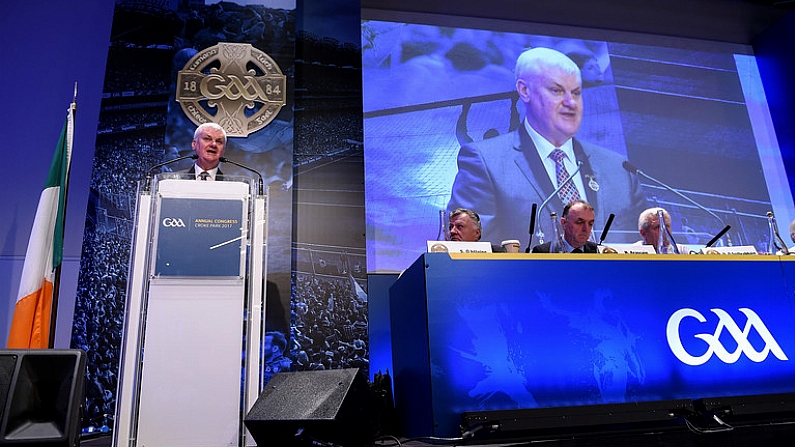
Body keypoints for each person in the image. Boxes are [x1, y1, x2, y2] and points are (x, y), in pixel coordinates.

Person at [447, 47, 647, 246]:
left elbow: (645, 251)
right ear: (525, 91)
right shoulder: (484, 162)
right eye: (556, 91)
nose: (571, 102)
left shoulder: (619, 169)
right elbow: (470, 251)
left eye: (576, 93)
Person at [532, 200, 598, 253]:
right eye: (579, 222)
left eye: (590, 223)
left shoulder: (597, 252)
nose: (585, 229)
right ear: (564, 223)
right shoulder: (543, 252)